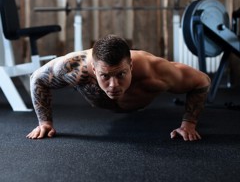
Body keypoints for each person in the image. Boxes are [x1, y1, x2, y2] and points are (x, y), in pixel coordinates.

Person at [26, 34, 210, 141]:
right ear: (93, 69)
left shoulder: (155, 71)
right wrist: (45, 123)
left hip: (140, 103)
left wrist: (189, 124)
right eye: (105, 76)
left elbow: (202, 81)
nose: (113, 85)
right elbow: (37, 79)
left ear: (130, 67)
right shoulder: (74, 67)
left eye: (121, 74)